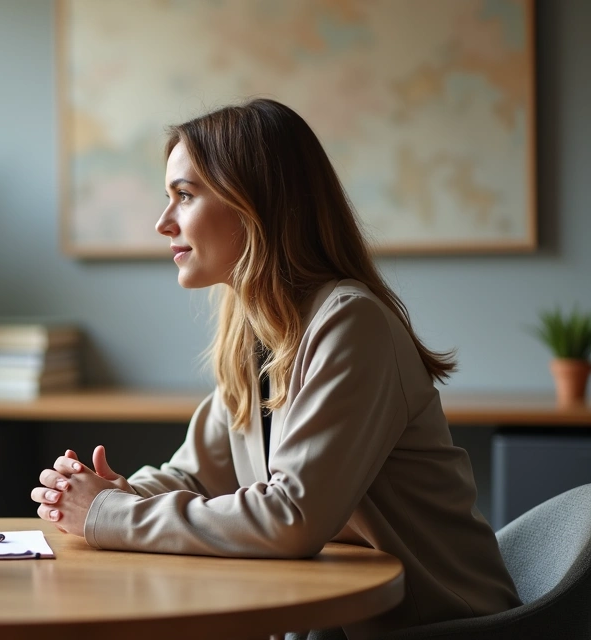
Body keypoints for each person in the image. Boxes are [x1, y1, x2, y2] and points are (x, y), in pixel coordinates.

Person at [30, 99, 520, 638]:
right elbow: (196, 474)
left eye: (184, 196)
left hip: (439, 624)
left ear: (253, 205)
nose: (162, 222)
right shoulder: (254, 333)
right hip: (340, 617)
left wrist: (107, 514)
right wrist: (114, 492)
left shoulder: (350, 324)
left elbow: (292, 518)